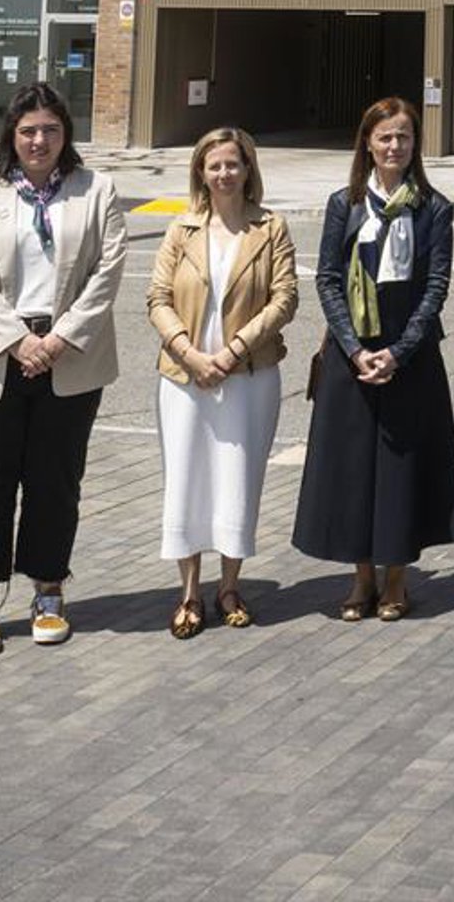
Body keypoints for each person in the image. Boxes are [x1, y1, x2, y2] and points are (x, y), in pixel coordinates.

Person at [0, 80, 128, 657]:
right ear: (11, 136)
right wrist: (17, 340)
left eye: (50, 130)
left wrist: (59, 337)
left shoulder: (96, 190)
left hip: (69, 358)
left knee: (55, 483)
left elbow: (109, 271)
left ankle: (48, 591)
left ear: (66, 134)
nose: (39, 141)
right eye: (27, 131)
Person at [292, 95, 454, 619]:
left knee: (400, 467)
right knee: (353, 470)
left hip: (409, 356)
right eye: (385, 137)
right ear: (367, 143)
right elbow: (327, 279)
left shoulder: (432, 208)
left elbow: (436, 286)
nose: (394, 146)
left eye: (403, 137)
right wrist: (354, 348)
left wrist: (400, 351)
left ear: (415, 144)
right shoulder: (344, 204)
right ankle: (361, 578)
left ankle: (396, 579)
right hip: (353, 357)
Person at [148, 125, 299, 637]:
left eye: (233, 163)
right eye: (214, 165)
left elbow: (285, 299)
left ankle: (229, 587)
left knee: (238, 480)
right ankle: (189, 593)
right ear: (201, 171)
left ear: (248, 168)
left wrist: (234, 351)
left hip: (249, 377)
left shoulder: (270, 228)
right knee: (186, 479)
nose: (224, 173)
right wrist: (190, 355)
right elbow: (157, 299)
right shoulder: (181, 229)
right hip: (184, 379)